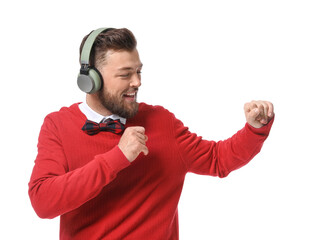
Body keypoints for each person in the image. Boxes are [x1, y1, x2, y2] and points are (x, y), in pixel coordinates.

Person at [28, 27, 274, 240]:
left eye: (139, 71)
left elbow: (218, 160)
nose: (137, 82)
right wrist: (118, 157)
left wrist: (254, 129)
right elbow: (43, 202)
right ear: (90, 79)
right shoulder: (58, 125)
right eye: (125, 74)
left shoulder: (161, 121)